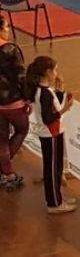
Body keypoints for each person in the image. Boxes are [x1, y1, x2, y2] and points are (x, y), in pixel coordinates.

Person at [27, 56, 76, 214]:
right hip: (51, 134)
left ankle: (57, 198)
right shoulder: (44, 93)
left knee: (56, 168)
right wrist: (65, 108)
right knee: (53, 170)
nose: (56, 73)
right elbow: (48, 117)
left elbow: (53, 107)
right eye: (54, 70)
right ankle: (54, 204)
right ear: (48, 72)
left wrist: (60, 91)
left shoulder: (45, 91)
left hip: (53, 133)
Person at [0, 18, 28, 191]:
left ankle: (6, 172)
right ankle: (6, 170)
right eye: (6, 26)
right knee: (22, 129)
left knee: (1, 139)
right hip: (13, 101)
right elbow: (20, 76)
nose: (8, 29)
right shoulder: (10, 50)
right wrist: (28, 97)